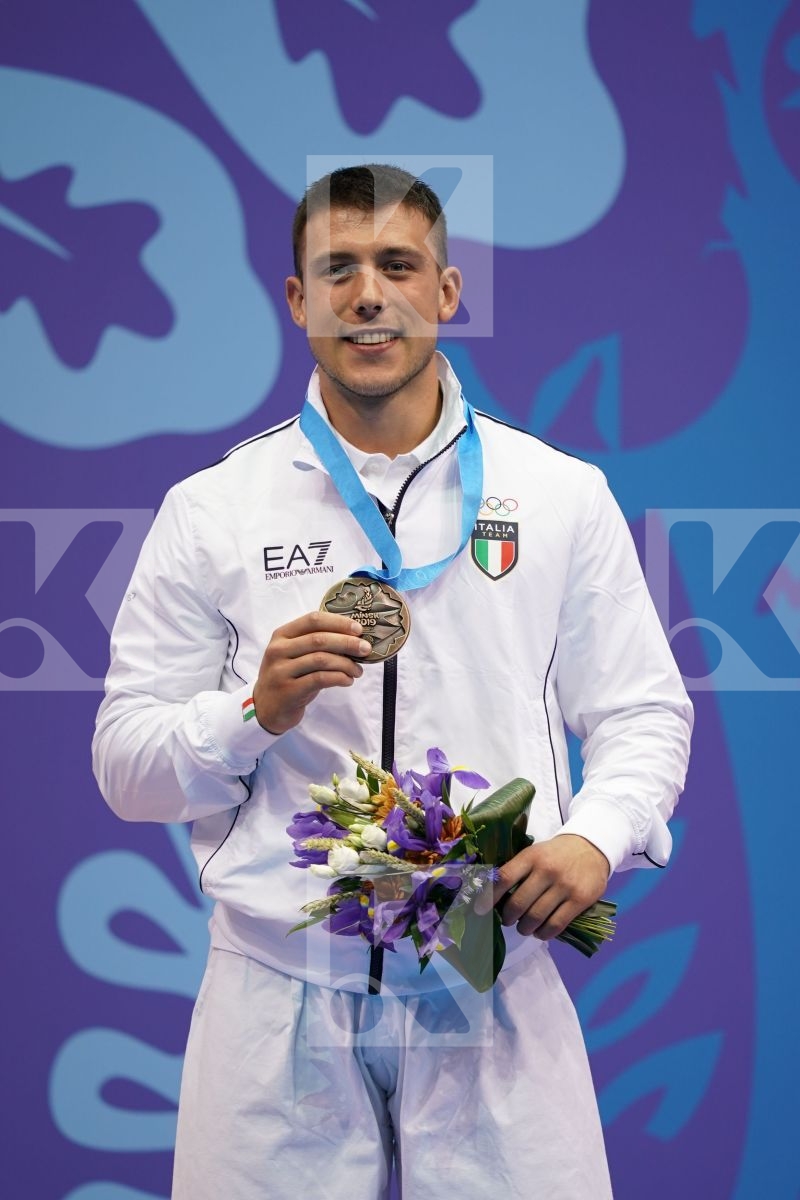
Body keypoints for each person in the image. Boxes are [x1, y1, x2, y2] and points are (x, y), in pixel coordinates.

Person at [93, 164, 692, 1199]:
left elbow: (641, 710)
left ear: (446, 293)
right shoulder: (211, 509)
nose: (366, 292)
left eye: (396, 265)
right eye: (336, 269)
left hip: (486, 976)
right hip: (273, 1001)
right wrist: (248, 715)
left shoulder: (555, 496)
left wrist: (597, 835)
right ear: (297, 301)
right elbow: (127, 771)